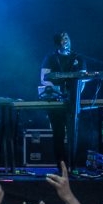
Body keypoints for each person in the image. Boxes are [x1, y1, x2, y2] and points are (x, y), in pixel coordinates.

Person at [39, 32, 85, 172]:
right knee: (58, 134)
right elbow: (44, 78)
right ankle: (62, 166)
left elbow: (83, 79)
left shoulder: (78, 57)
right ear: (57, 43)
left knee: (74, 133)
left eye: (67, 38)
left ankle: (74, 165)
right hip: (56, 100)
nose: (65, 41)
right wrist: (57, 92)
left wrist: (76, 94)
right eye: (62, 39)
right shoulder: (50, 57)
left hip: (73, 101)